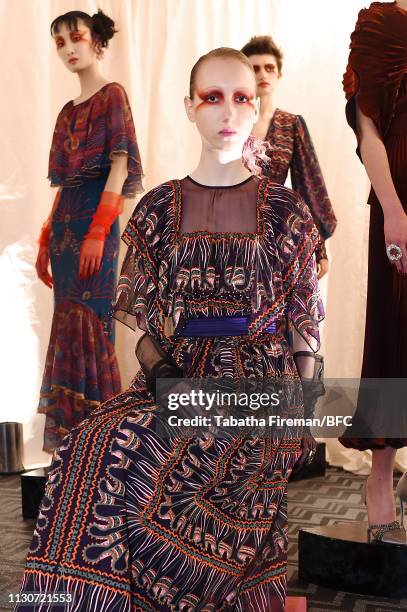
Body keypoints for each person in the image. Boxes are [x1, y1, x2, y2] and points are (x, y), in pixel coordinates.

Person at [17, 47, 323, 611]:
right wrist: (162, 377)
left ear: (255, 110)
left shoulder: (287, 212)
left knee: (126, 449)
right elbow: (145, 324)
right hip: (177, 377)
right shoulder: (156, 209)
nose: (227, 112)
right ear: (189, 107)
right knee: (85, 445)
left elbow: (304, 329)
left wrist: (299, 410)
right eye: (212, 98)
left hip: (258, 386)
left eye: (240, 99)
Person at [35, 10, 143, 452]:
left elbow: (120, 166)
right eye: (59, 42)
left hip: (97, 220)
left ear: (96, 42)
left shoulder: (112, 95)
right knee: (66, 324)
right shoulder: (65, 112)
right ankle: (72, 444)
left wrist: (100, 231)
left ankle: (103, 442)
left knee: (95, 324)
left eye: (75, 38)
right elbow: (64, 183)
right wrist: (46, 237)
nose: (68, 49)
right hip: (65, 227)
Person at [340, 0, 407, 543]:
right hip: (401, 206)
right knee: (392, 332)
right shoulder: (382, 22)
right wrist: (393, 211)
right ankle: (380, 476)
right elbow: (369, 131)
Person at [241, 36, 337, 279]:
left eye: (269, 68)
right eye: (255, 68)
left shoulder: (291, 125)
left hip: (275, 235)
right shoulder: (231, 122)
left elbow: (308, 187)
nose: (263, 74)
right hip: (229, 229)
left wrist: (319, 249)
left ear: (278, 74)